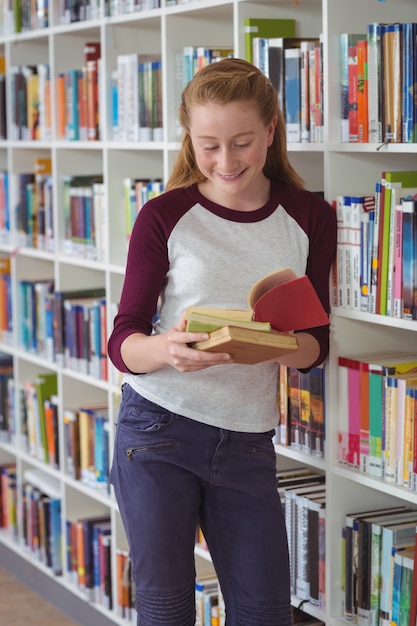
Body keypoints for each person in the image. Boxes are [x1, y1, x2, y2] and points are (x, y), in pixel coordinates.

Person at [108, 57, 337, 626]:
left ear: (270, 132)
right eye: (209, 145)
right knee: (166, 609)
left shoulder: (309, 216)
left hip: (247, 442)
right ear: (190, 138)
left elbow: (316, 344)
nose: (226, 161)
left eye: (242, 142)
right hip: (158, 429)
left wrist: (275, 347)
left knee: (263, 612)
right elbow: (122, 342)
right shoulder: (164, 215)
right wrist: (169, 348)